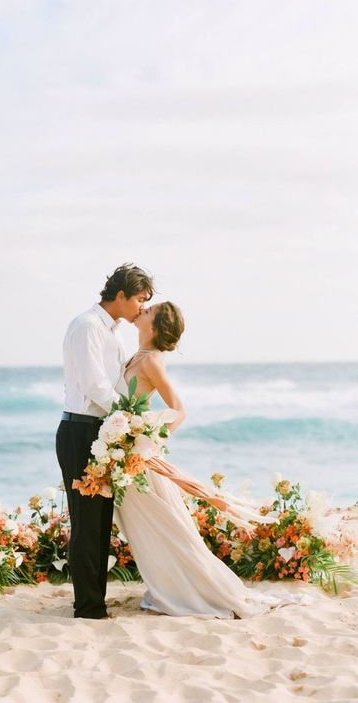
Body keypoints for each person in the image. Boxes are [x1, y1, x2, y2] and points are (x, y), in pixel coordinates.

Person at [115, 302, 316, 618]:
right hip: (127, 458)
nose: (143, 309)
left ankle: (188, 590)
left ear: (154, 326)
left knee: (165, 528)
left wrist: (151, 440)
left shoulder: (152, 360)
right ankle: (167, 586)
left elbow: (179, 410)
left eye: (149, 309)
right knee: (147, 529)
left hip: (141, 459)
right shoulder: (137, 355)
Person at [56, 263, 154, 619]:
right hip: (80, 431)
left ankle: (95, 599)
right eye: (140, 300)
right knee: (85, 522)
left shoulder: (112, 332)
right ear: (121, 295)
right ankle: (87, 606)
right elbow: (94, 386)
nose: (142, 308)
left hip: (101, 432)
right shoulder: (87, 326)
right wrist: (128, 417)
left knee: (101, 522)